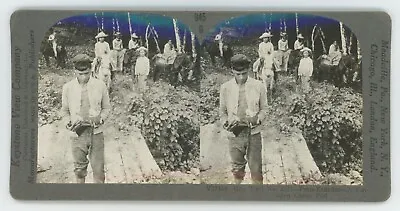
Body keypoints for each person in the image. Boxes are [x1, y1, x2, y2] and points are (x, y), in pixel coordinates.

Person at [61, 54, 111, 184]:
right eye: (80, 73)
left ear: (91, 70)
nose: (83, 76)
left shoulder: (100, 85)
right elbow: (64, 111)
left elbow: (106, 108)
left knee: (99, 172)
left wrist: (101, 119)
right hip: (77, 135)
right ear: (75, 71)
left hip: (96, 133)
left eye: (87, 73)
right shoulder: (68, 88)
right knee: (79, 171)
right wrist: (68, 123)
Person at [219, 54, 268, 185]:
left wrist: (257, 119)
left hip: (254, 133)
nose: (241, 77)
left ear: (249, 70)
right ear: (232, 71)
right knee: (237, 169)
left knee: (256, 169)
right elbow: (222, 112)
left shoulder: (259, 86)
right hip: (235, 134)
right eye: (238, 73)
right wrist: (226, 123)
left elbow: (265, 109)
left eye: (244, 73)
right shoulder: (225, 88)